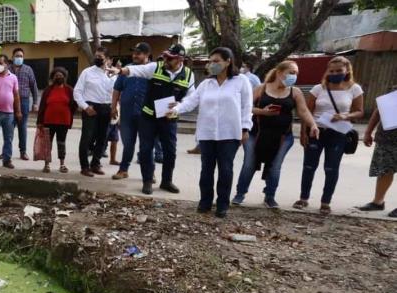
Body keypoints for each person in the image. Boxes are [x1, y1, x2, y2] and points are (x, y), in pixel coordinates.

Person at [169, 47, 252, 218]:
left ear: (228, 61)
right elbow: (191, 101)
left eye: (216, 61)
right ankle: (205, 201)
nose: (212, 64)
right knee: (206, 169)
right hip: (207, 134)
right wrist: (176, 109)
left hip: (230, 134)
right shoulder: (207, 84)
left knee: (225, 170)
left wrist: (245, 128)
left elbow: (247, 107)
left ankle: (222, 204)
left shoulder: (241, 81)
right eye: (210, 61)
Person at [233, 61, 319, 209]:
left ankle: (270, 195)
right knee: (249, 163)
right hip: (256, 134)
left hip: (283, 137)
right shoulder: (261, 89)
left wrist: (313, 125)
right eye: (291, 72)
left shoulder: (295, 92)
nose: (294, 76)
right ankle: (240, 194)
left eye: (296, 73)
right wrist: (263, 112)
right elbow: (245, 108)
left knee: (275, 166)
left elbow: (303, 111)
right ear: (279, 72)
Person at [117, 43, 195, 195]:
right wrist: (121, 70)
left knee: (170, 151)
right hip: (148, 117)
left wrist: (180, 105)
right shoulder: (156, 67)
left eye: (170, 58)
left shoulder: (188, 74)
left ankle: (167, 181)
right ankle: (147, 181)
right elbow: (137, 69)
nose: (166, 60)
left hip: (170, 117)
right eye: (165, 56)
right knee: (146, 150)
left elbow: (191, 97)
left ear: (180, 60)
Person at [294, 56, 364, 215]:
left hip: (338, 133)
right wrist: (304, 132)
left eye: (339, 70)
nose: (335, 73)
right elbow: (307, 111)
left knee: (331, 168)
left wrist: (346, 116)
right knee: (309, 166)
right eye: (331, 71)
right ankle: (303, 198)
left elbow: (360, 111)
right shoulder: (319, 88)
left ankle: (326, 201)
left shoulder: (354, 89)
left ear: (347, 70)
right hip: (316, 131)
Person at [111, 42, 151, 180]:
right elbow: (117, 89)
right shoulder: (126, 70)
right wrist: (113, 107)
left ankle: (148, 174)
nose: (134, 55)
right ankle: (123, 170)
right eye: (134, 53)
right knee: (128, 144)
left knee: (146, 146)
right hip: (127, 114)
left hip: (146, 115)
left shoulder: (153, 70)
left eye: (138, 53)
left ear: (146, 55)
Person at [74, 46, 115, 177]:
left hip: (106, 108)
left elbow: (116, 93)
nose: (97, 59)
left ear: (108, 59)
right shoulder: (87, 72)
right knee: (87, 138)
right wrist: (85, 107)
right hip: (90, 108)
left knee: (103, 139)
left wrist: (114, 108)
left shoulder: (113, 75)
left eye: (100, 57)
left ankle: (95, 164)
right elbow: (77, 91)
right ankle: (84, 167)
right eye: (96, 56)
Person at [357, 85, 397, 217]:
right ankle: (378, 202)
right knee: (384, 170)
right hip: (387, 139)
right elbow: (378, 111)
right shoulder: (393, 90)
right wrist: (368, 132)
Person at [36, 67, 77, 173]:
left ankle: (62, 164)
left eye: (60, 75)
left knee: (61, 143)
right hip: (48, 121)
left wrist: (69, 116)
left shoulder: (69, 90)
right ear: (52, 77)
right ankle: (47, 165)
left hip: (64, 122)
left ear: (64, 77)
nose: (58, 77)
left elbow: (74, 105)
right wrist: (39, 121)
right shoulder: (48, 90)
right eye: (56, 75)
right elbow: (42, 106)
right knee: (47, 144)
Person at [10, 48, 39, 160]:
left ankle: (23, 152)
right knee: (9, 127)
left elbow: (34, 87)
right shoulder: (7, 70)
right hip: (9, 102)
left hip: (24, 101)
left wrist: (35, 102)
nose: (19, 58)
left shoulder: (28, 69)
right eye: (17, 56)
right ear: (12, 57)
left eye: (21, 56)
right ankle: (6, 151)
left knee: (22, 127)